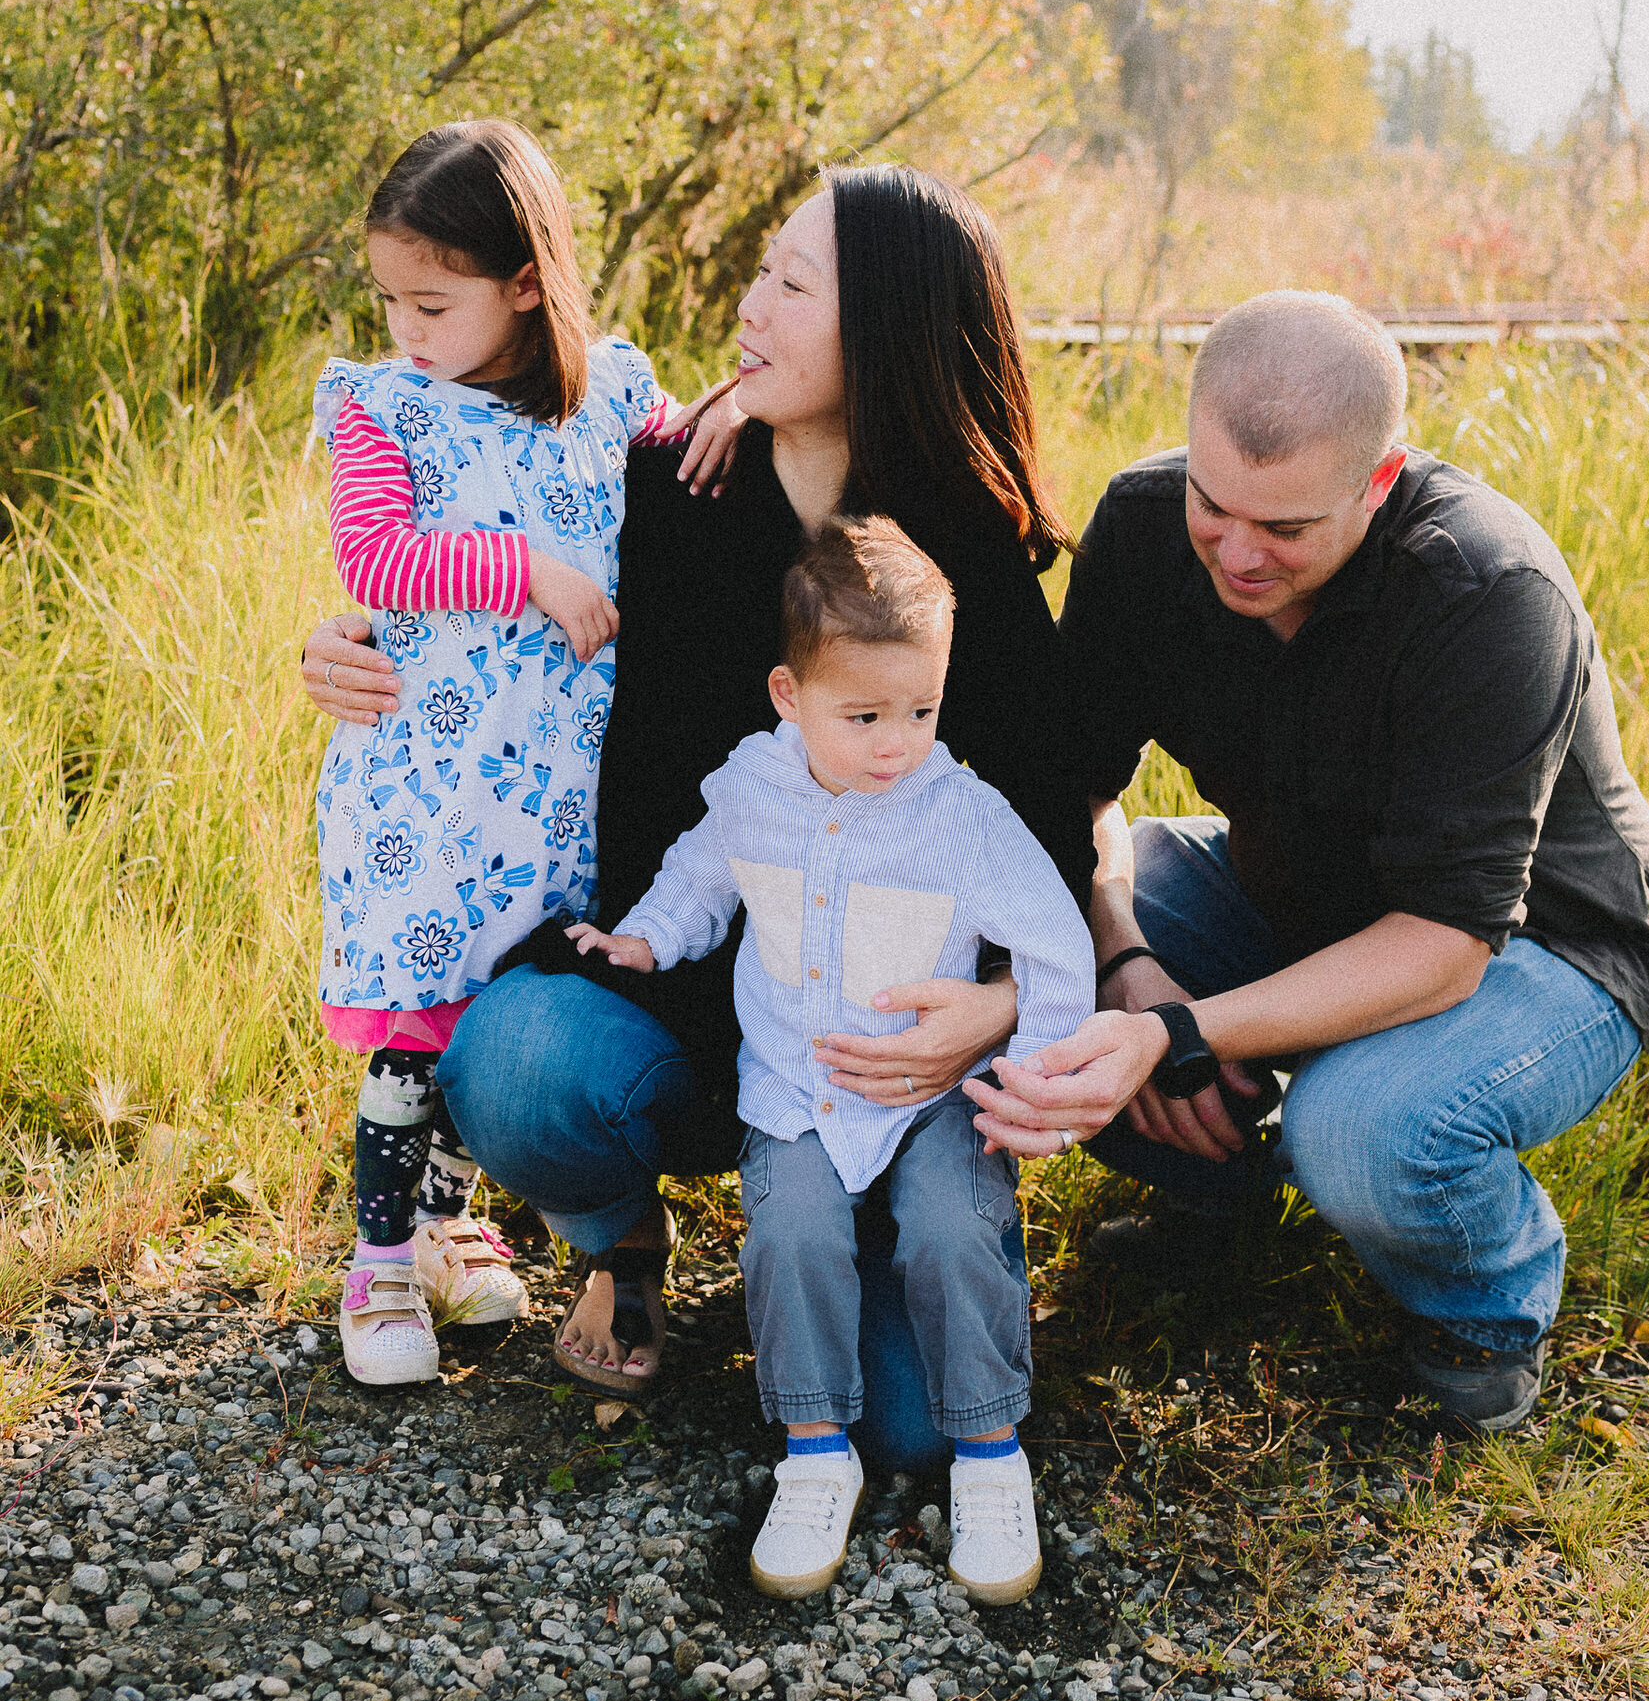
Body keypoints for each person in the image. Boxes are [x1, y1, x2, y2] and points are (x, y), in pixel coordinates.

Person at [299, 165, 1095, 1446]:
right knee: (516, 1061)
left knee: (904, 1431)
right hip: (680, 991)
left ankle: (889, 1238)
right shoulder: (672, 487)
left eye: (791, 284)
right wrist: (352, 646)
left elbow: (1050, 829)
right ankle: (624, 1249)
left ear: (885, 324)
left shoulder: (960, 556)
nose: (749, 304)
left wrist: (1001, 1006)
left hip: (876, 1051)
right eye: (760, 271)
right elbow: (498, 574)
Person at [964, 289, 1649, 1433]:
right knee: (1020, 951)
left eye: (1287, 530)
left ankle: (1483, 1303)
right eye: (1216, 506)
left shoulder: (1487, 595)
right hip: (1284, 889)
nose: (1238, 553)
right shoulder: (1147, 526)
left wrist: (1178, 1033)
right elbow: (1074, 790)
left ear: (1379, 479)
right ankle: (1219, 1188)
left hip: (1543, 951)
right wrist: (1124, 961)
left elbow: (1445, 948)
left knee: (1357, 1128)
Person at [570, 517, 1095, 1600]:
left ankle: (991, 1455)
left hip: (932, 1097)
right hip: (796, 1090)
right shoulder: (750, 789)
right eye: (861, 716)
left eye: (919, 710)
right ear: (786, 695)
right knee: (793, 1236)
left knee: (955, 1231)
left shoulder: (961, 815)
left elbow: (1052, 941)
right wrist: (649, 935)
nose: (894, 742)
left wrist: (1033, 1076)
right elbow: (701, 874)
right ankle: (815, 1451)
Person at [308, 119, 738, 1387]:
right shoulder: (387, 407)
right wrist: (530, 570)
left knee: (491, 1019)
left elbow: (683, 468)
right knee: (415, 1032)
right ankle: (378, 1267)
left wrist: (733, 408)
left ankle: (446, 1230)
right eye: (389, 300)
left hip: (548, 808)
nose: (407, 330)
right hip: (426, 791)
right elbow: (374, 560)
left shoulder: (609, 395)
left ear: (527, 283)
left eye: (433, 303)